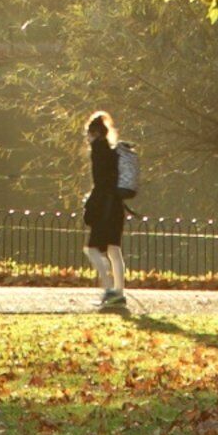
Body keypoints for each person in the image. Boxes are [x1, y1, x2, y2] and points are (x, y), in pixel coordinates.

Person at [82, 111, 133, 308]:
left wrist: (90, 205)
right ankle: (119, 292)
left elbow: (100, 183)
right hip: (116, 205)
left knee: (92, 249)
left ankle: (108, 288)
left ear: (93, 133)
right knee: (114, 249)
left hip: (105, 206)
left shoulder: (98, 149)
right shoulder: (114, 151)